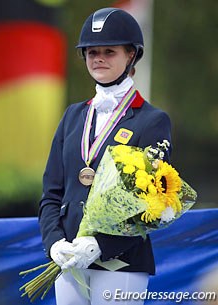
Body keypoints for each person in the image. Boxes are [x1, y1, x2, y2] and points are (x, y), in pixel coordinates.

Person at [39, 7, 172, 305]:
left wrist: (101, 245)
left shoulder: (151, 121)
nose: (98, 57)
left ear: (131, 56)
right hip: (69, 260)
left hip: (120, 263)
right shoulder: (73, 116)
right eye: (91, 51)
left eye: (109, 51)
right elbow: (52, 193)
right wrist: (54, 243)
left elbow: (151, 202)